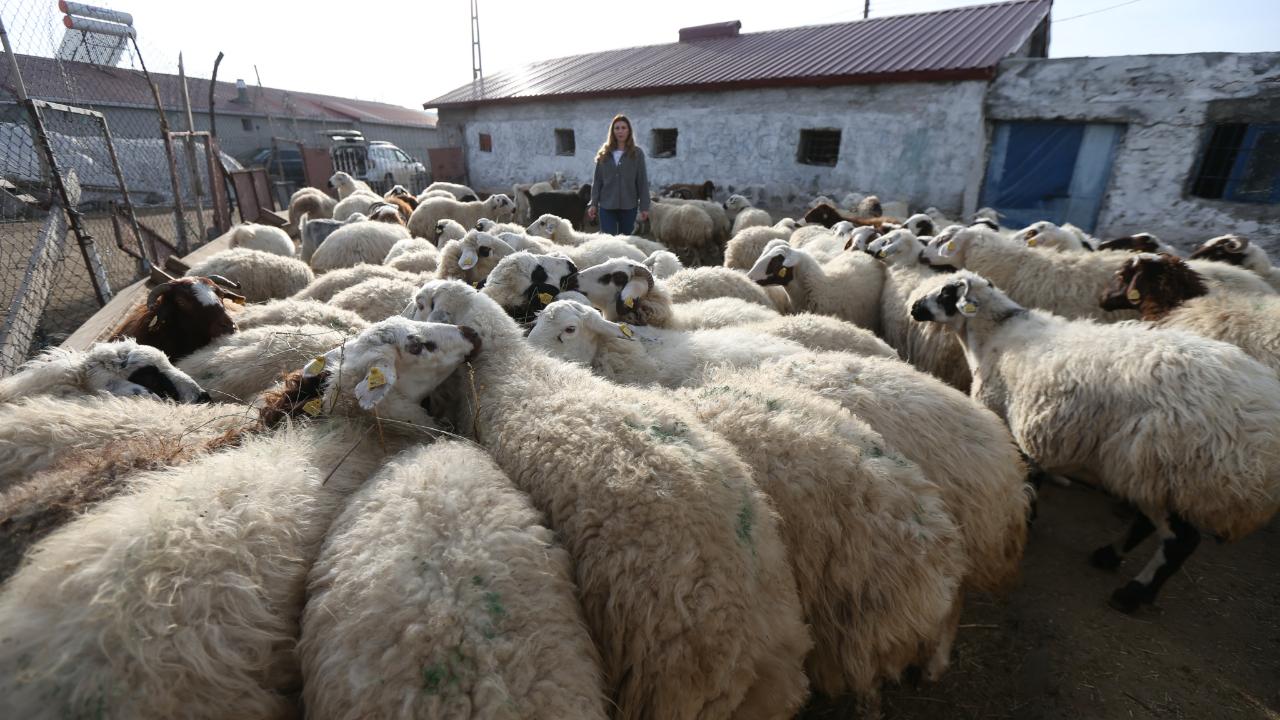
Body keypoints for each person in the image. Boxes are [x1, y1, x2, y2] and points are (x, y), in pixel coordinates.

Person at [587, 114, 650, 235]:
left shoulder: (637, 154)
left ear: (629, 131)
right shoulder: (604, 153)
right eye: (617, 128)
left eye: (623, 128)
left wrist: (644, 206)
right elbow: (597, 181)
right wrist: (593, 203)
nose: (620, 131)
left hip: (629, 206)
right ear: (612, 131)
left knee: (625, 243)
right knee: (608, 242)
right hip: (606, 206)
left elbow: (642, 181)